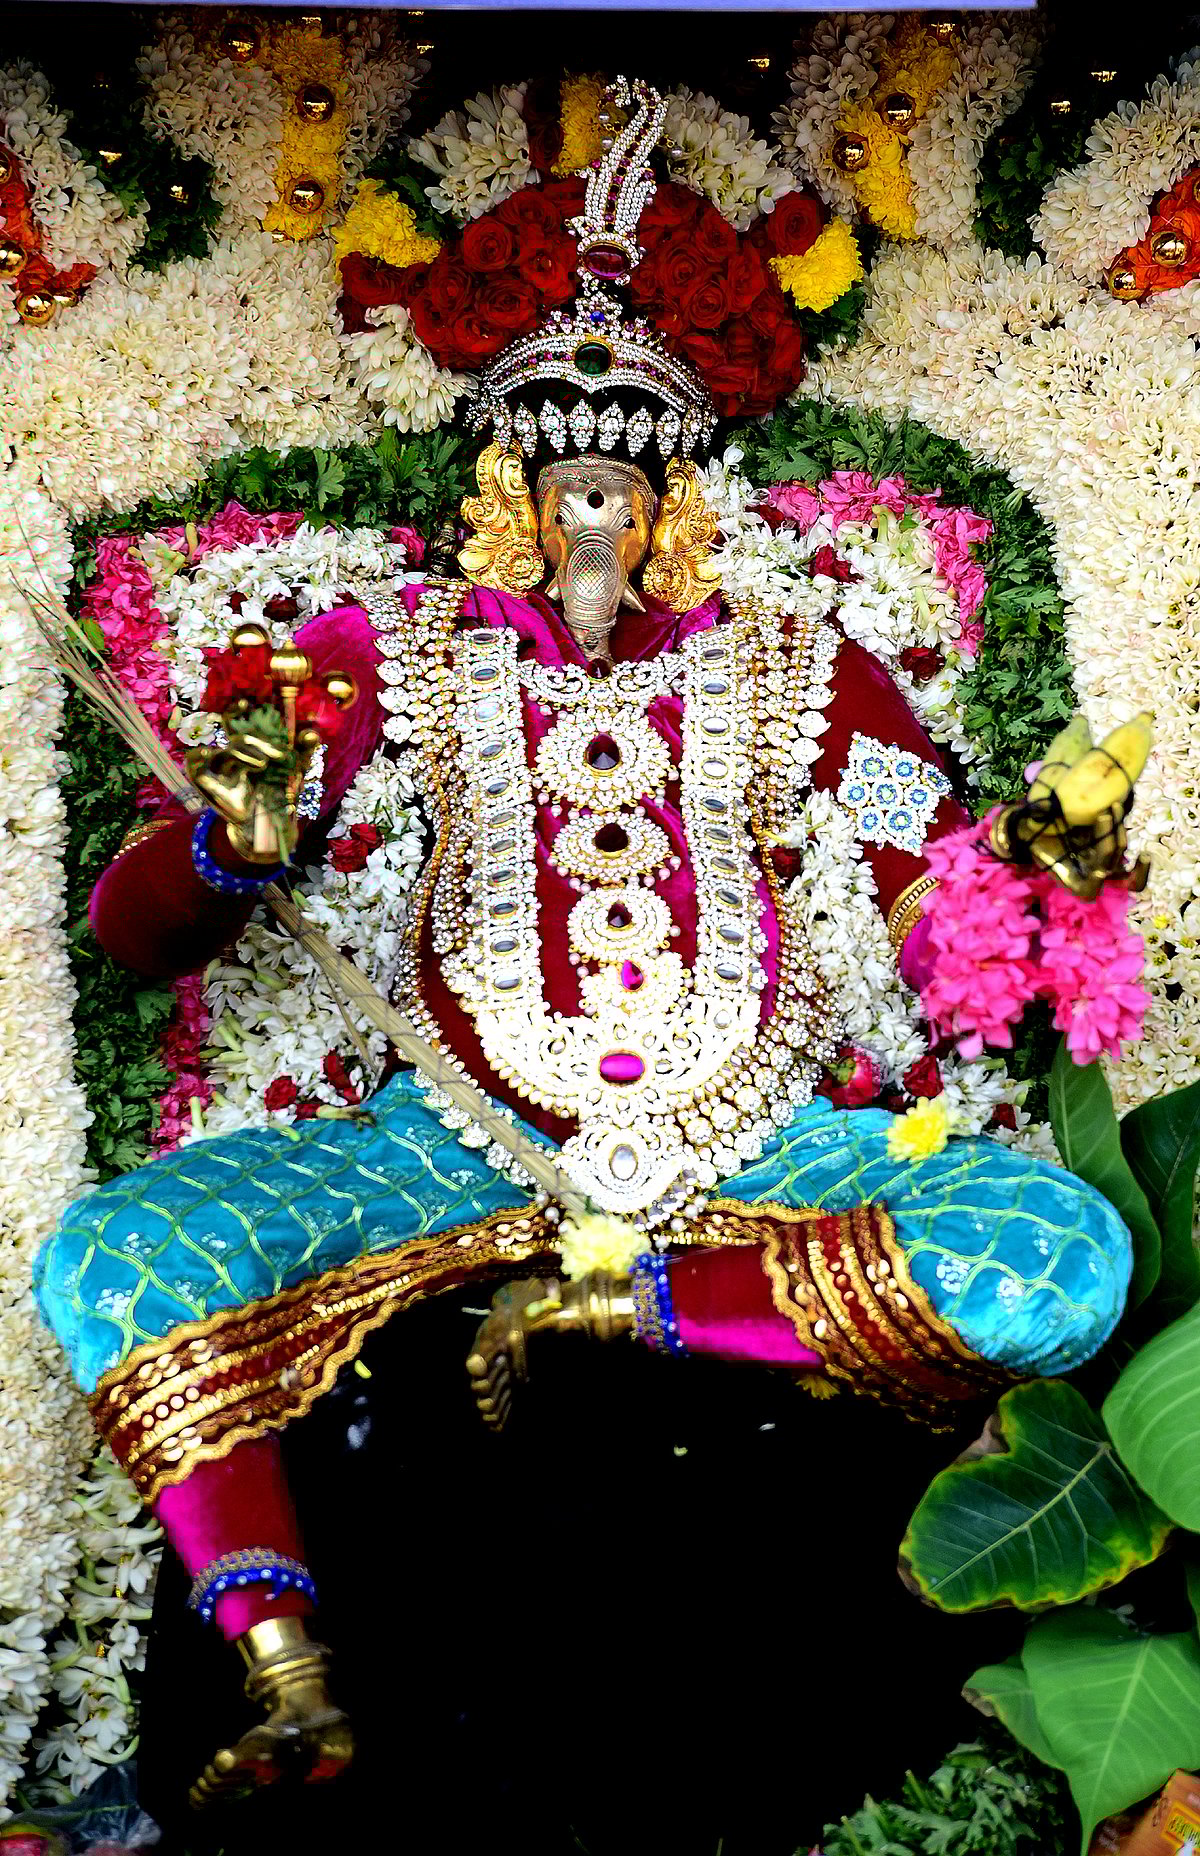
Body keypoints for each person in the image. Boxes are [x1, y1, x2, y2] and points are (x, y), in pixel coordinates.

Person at [34, 78, 1131, 1814]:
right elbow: (134, 935)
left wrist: (1031, 865)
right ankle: (285, 1669)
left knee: (1061, 1254)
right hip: (453, 1144)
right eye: (564, 488)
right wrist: (234, 838)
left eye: (625, 486)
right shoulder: (375, 655)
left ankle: (627, 1308)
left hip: (756, 1148)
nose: (594, 523)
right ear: (512, 491)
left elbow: (937, 928)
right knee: (111, 1257)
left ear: (679, 496)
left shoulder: (807, 666)